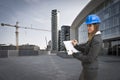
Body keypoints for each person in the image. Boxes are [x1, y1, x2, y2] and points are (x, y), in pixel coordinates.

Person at [72, 14, 103, 80]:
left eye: (90, 25)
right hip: (86, 68)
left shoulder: (97, 40)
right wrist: (76, 45)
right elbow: (85, 49)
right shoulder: (93, 38)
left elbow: (89, 59)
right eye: (87, 25)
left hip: (91, 69)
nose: (88, 28)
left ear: (96, 25)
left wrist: (76, 55)